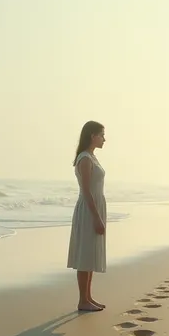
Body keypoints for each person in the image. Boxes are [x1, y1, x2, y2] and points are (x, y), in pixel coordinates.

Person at [67, 121, 106, 311]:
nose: (104, 139)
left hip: (95, 207)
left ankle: (88, 297)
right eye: (101, 135)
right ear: (92, 136)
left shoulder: (92, 157)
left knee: (90, 253)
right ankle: (82, 300)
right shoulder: (84, 159)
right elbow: (86, 190)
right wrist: (96, 217)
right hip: (89, 209)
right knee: (85, 255)